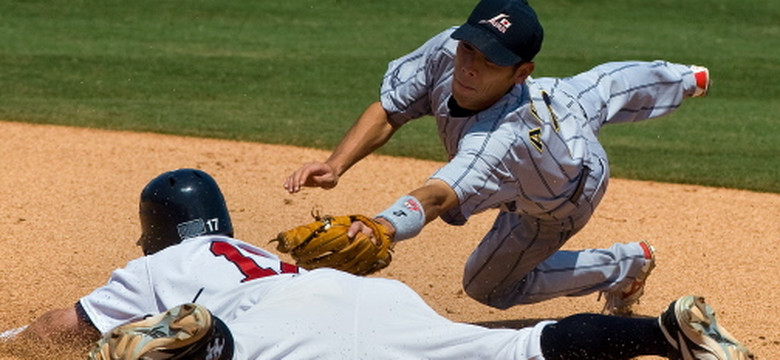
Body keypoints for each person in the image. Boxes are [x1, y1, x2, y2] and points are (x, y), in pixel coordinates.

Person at [2, 169, 753, 360]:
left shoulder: (176, 259)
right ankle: (668, 334)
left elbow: (58, 327)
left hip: (259, 326)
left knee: (216, 346)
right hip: (369, 304)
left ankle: (203, 346)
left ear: (156, 234)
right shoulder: (259, 253)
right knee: (519, 348)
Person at [283, 0, 712, 315]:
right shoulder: (449, 49)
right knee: (599, 88)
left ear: (519, 72)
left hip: (561, 196)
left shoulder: (499, 140)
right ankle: (686, 78)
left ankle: (625, 264)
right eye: (469, 49)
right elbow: (392, 108)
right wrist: (336, 163)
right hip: (561, 100)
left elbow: (438, 194)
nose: (469, 66)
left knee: (487, 288)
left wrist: (384, 225)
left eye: (490, 61)